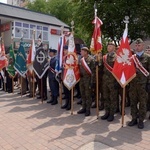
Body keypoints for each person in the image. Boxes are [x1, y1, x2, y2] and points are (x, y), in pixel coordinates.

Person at [128, 38, 150, 129]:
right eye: (136, 45)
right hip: (133, 85)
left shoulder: (148, 58)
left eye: (139, 45)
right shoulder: (132, 58)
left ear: (143, 46)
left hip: (143, 85)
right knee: (133, 103)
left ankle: (141, 120)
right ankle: (134, 118)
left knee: (143, 103)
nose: (137, 47)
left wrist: (149, 83)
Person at [100, 42, 119, 122]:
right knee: (105, 97)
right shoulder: (104, 57)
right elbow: (101, 68)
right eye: (108, 46)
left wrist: (117, 81)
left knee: (113, 98)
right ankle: (107, 112)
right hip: (105, 81)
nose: (109, 48)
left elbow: (118, 70)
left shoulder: (117, 57)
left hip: (113, 80)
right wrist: (97, 64)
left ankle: (112, 114)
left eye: (110, 46)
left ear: (114, 48)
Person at [77, 46, 95, 116]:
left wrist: (92, 82)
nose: (81, 52)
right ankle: (83, 107)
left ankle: (88, 109)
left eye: (82, 51)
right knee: (83, 94)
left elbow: (93, 72)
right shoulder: (81, 59)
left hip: (88, 80)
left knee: (88, 95)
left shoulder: (91, 60)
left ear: (86, 52)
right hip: (82, 80)